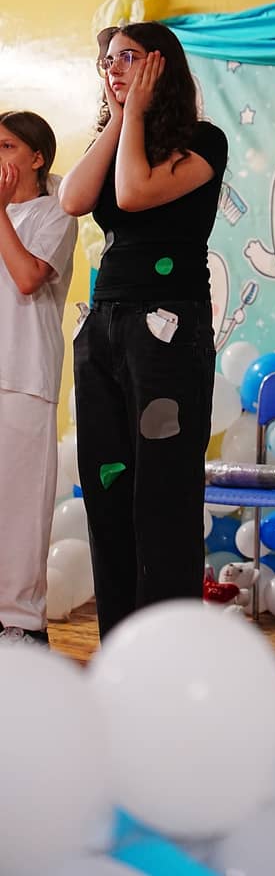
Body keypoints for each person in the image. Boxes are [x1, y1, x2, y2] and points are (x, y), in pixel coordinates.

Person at [59, 22, 228, 638]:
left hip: (168, 329)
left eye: (127, 57)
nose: (113, 68)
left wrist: (132, 113)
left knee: (162, 494)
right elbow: (73, 199)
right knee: (107, 490)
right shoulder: (116, 137)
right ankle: (120, 643)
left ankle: (165, 648)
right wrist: (117, 116)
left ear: (161, 65)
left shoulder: (203, 141)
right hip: (104, 326)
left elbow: (133, 194)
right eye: (107, 60)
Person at [0, 111, 77, 646]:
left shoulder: (57, 211)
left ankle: (23, 623)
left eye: (6, 146)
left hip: (24, 374)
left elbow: (28, 278)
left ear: (37, 158)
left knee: (22, 510)